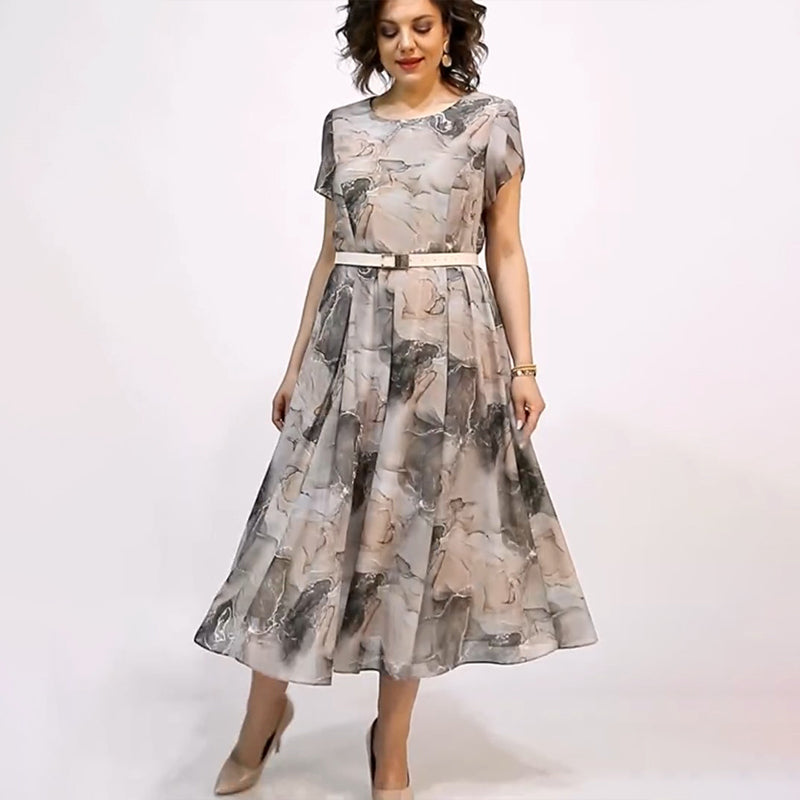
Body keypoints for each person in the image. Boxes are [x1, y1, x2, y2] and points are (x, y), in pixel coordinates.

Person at [193, 0, 599, 797]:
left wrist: (524, 366)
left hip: (447, 352)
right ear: (370, 40)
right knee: (298, 541)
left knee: (416, 545)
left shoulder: (490, 122)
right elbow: (329, 254)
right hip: (346, 348)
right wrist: (295, 365)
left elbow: (505, 248)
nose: (405, 43)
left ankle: (392, 748)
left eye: (421, 25)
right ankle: (262, 718)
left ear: (450, 31)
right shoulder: (344, 127)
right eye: (388, 30)